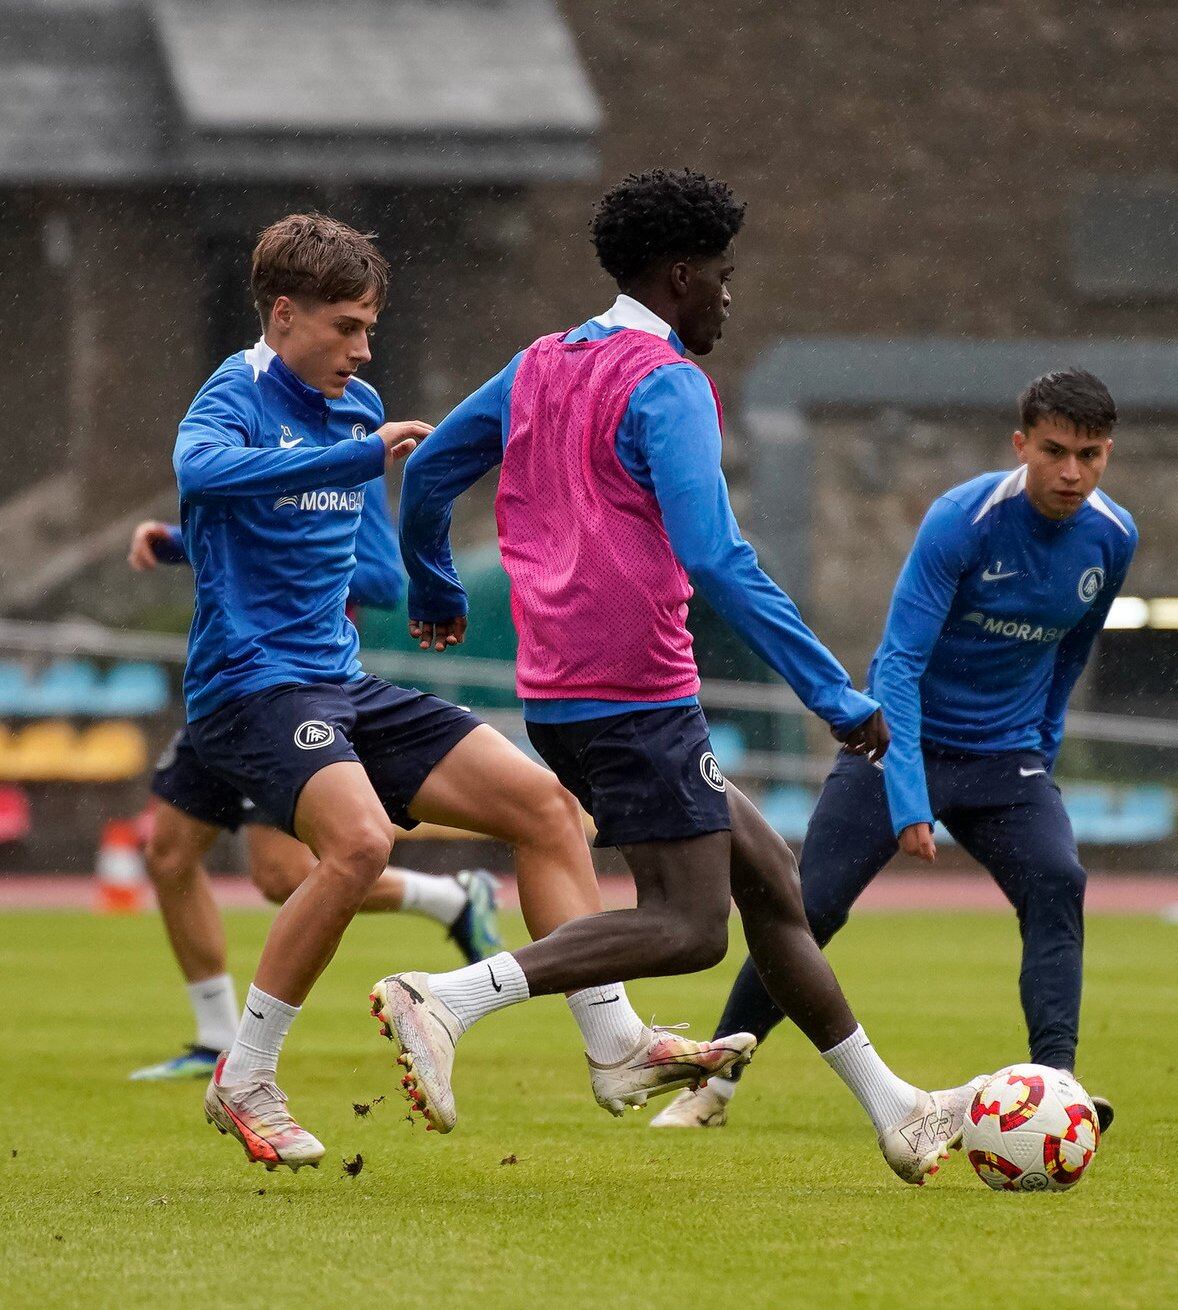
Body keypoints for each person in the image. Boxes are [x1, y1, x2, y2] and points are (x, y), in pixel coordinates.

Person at [385, 168, 983, 1186]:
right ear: (677, 276)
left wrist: (434, 584)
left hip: (566, 689)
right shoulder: (665, 385)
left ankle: (898, 1110)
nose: (726, 295)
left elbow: (434, 467)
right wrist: (832, 692)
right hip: (635, 691)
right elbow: (715, 556)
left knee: (769, 884)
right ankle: (446, 997)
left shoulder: (539, 363)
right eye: (720, 275)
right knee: (689, 926)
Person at [176, 213, 746, 1172]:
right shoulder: (234, 396)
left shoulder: (356, 408)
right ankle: (245, 1077)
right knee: (359, 843)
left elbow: (365, 566)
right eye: (345, 327)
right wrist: (360, 460)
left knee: (545, 807)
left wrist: (425, 588)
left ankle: (613, 1044)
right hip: (250, 689)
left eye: (370, 329)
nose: (362, 350)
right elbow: (203, 473)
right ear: (282, 314)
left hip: (340, 682)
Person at [652, 368, 1135, 1132]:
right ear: (1021, 445)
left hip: (1007, 759)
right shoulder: (962, 521)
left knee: (1058, 880)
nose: (1072, 472)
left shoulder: (1113, 537)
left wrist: (1042, 750)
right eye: (1055, 451)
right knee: (806, 910)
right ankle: (715, 1078)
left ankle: (1057, 1086)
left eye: (1091, 454)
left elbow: (1070, 657)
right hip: (900, 744)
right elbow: (899, 666)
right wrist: (910, 798)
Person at [125, 482, 500, 1084]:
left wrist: (292, 560)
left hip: (292, 693)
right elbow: (236, 543)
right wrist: (176, 543)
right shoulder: (249, 430)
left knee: (283, 876)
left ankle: (451, 899)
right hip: (226, 681)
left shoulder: (353, 450)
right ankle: (215, 1039)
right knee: (168, 855)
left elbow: (381, 579)